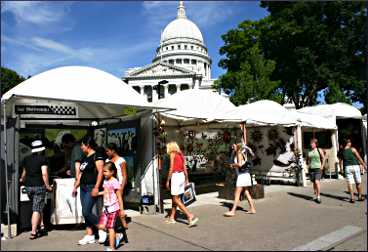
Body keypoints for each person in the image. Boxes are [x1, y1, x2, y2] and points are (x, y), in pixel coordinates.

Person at [72, 135, 105, 245]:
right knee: (86, 213)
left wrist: (96, 187)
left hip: (91, 186)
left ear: (88, 145)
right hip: (83, 187)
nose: (81, 147)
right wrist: (75, 186)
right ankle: (90, 235)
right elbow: (81, 174)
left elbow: (100, 172)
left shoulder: (97, 155)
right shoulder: (85, 157)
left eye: (82, 145)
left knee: (86, 211)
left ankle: (102, 228)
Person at [19, 140, 53, 240]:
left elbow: (24, 173)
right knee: (36, 209)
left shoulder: (26, 159)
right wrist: (47, 186)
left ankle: (41, 225)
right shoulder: (43, 159)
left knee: (37, 206)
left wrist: (22, 180)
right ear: (41, 150)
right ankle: (33, 232)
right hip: (39, 186)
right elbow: (44, 174)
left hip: (28, 187)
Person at [99, 143, 128, 246]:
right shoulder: (107, 161)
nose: (106, 153)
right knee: (112, 210)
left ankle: (121, 227)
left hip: (117, 186)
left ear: (113, 150)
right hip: (109, 188)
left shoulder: (121, 160)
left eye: (108, 151)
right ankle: (117, 231)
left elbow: (124, 176)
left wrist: (122, 188)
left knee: (118, 208)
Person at [165, 141, 199, 227]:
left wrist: (168, 180)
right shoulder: (180, 154)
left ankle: (189, 215)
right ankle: (172, 218)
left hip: (176, 176)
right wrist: (186, 179)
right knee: (175, 198)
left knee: (175, 198)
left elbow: (171, 168)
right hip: (181, 176)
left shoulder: (172, 154)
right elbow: (184, 167)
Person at [97, 162, 124, 251]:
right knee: (101, 226)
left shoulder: (114, 181)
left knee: (110, 228)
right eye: (103, 171)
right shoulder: (105, 181)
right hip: (106, 208)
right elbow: (106, 192)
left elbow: (119, 196)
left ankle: (112, 248)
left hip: (113, 208)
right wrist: (97, 193)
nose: (103, 173)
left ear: (112, 172)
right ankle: (118, 235)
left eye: (105, 171)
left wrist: (122, 210)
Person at [224, 143, 256, 217]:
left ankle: (232, 211)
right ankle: (252, 209)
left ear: (238, 147)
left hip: (242, 176)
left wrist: (233, 165)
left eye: (234, 146)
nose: (232, 147)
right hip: (246, 175)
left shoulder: (239, 154)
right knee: (246, 192)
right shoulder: (242, 154)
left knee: (237, 194)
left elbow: (240, 164)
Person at [340, 138, 367, 203]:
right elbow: (359, 158)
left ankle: (352, 198)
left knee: (350, 183)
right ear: (348, 143)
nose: (350, 143)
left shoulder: (342, 151)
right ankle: (360, 196)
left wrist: (341, 169)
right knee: (358, 182)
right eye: (350, 142)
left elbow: (340, 161)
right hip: (355, 166)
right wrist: (364, 165)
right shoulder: (353, 149)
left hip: (347, 168)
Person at [306, 138, 325, 204]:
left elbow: (323, 158)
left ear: (315, 144)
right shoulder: (309, 151)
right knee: (314, 182)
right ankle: (315, 195)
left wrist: (322, 166)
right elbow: (307, 160)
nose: (311, 144)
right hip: (311, 169)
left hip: (318, 168)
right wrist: (308, 165)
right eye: (311, 143)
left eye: (312, 143)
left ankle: (319, 197)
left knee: (317, 182)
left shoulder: (319, 150)